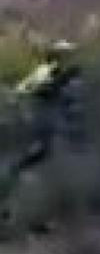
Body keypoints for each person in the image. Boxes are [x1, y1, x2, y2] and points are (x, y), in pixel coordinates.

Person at [1, 40, 84, 194]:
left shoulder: (65, 73)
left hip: (49, 113)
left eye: (68, 55)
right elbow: (26, 87)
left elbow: (68, 96)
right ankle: (16, 170)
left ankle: (18, 170)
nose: (68, 58)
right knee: (43, 146)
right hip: (42, 112)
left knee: (46, 148)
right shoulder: (47, 70)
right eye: (64, 55)